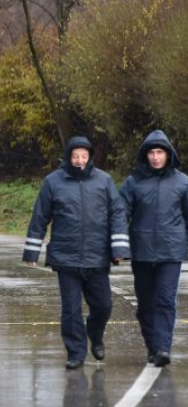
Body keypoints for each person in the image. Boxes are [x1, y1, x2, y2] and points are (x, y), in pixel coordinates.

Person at [23, 136, 130, 370]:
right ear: (68, 157)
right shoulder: (53, 182)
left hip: (97, 257)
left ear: (90, 157)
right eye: (75, 156)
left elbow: (117, 214)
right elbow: (40, 216)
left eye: (84, 156)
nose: (80, 160)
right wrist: (32, 251)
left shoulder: (104, 181)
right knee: (71, 310)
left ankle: (95, 333)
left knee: (103, 306)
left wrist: (119, 248)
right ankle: (76, 353)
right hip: (66, 257)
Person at [119, 130, 188, 368]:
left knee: (166, 300)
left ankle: (163, 348)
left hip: (171, 252)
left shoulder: (183, 182)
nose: (156, 157)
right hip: (142, 251)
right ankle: (153, 345)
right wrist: (118, 245)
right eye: (152, 152)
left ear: (169, 155)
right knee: (146, 303)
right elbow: (121, 215)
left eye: (160, 152)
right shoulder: (133, 182)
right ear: (145, 155)